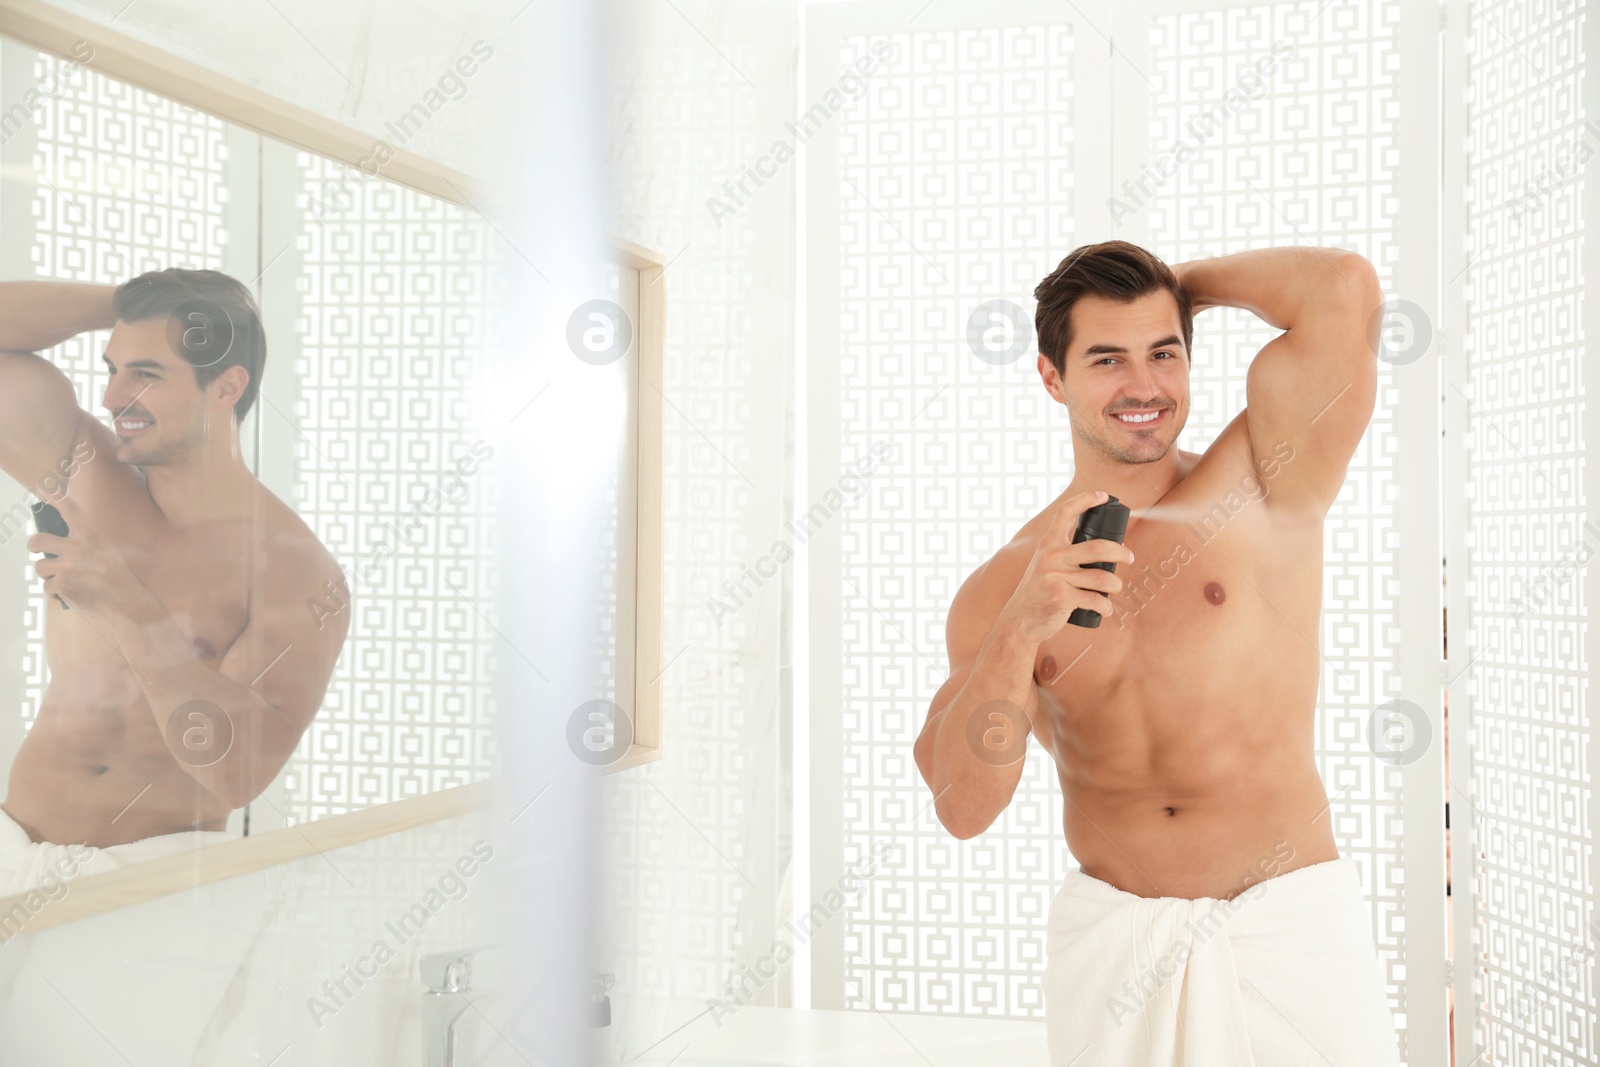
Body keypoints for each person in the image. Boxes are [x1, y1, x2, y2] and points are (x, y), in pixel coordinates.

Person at [913, 242, 1401, 1065]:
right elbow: (963, 805)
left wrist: (1184, 290)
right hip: (1118, 954)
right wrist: (1020, 628)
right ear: (1050, 376)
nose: (1144, 387)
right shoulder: (1005, 586)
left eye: (1163, 353)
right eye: (1107, 359)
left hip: (1285, 933)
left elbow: (1341, 288)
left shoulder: (1267, 479)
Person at [0, 269, 349, 894]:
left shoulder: (296, 570)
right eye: (113, 369)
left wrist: (136, 615)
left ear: (227, 386)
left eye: (147, 375)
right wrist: (134, 306)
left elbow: (242, 771)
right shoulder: (80, 465)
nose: (113, 397)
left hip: (156, 886)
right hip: (14, 847)